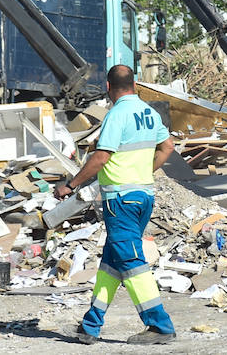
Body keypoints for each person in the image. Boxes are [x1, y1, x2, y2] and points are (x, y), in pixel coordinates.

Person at [55, 65, 177, 344]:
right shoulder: (149, 112)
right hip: (143, 196)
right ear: (134, 84)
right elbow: (167, 146)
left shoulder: (116, 115)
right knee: (113, 263)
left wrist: (70, 185)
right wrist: (145, 171)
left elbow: (100, 158)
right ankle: (91, 325)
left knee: (132, 262)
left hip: (120, 200)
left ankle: (160, 325)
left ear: (108, 88)